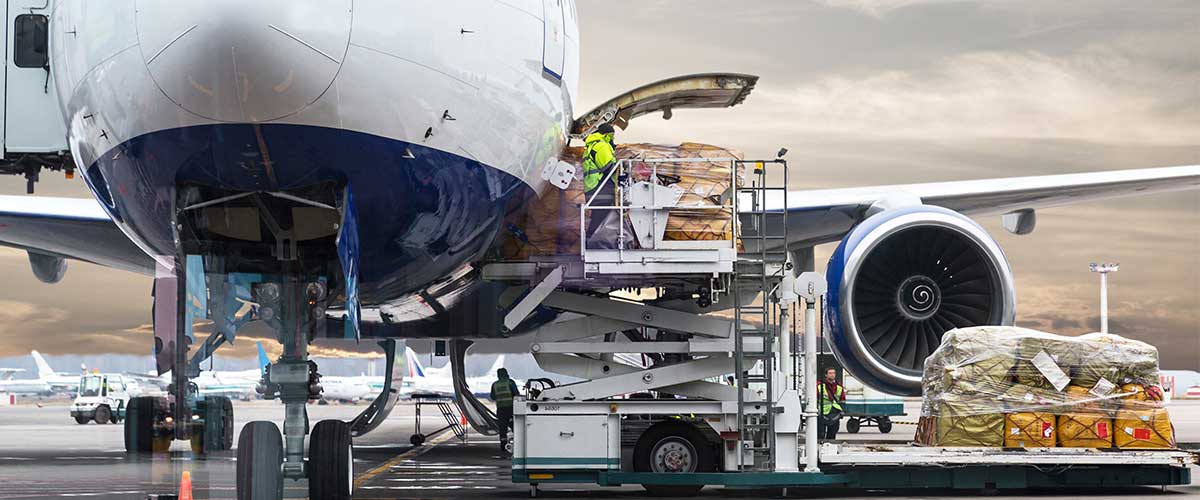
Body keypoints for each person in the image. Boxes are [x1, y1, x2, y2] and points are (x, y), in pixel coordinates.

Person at [582, 123, 617, 247]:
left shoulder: (592, 146)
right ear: (608, 134)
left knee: (599, 216)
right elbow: (607, 166)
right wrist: (621, 170)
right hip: (600, 188)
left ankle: (592, 241)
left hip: (593, 188)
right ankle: (592, 243)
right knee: (602, 217)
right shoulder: (602, 145)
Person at [490, 367, 520, 455]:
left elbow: (492, 397)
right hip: (511, 409)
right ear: (506, 374)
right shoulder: (510, 382)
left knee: (502, 428)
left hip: (501, 410)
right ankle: (518, 443)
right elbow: (516, 394)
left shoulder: (495, 384)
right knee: (515, 427)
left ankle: (503, 445)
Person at [817, 367, 846, 440]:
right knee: (820, 435)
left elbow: (842, 400)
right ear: (826, 375)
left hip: (834, 414)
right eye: (830, 373)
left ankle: (830, 449)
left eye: (834, 373)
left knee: (832, 435)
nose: (832, 375)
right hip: (822, 413)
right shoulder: (819, 386)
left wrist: (842, 410)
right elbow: (815, 399)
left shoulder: (839, 387)